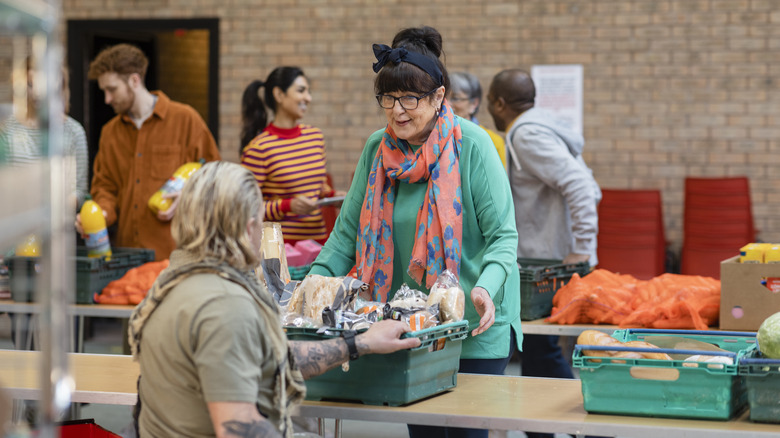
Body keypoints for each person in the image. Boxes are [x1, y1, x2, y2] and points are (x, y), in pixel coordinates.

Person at [308, 26, 522, 438]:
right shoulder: (376, 149)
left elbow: (503, 237)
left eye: (411, 98)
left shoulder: (473, 146)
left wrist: (484, 289)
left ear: (439, 97)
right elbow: (346, 233)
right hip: (411, 325)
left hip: (474, 323)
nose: (398, 110)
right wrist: (315, 281)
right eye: (388, 98)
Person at [128, 160, 419, 437]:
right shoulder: (223, 305)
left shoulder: (174, 281)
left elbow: (267, 356)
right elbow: (237, 426)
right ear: (246, 228)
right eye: (261, 220)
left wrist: (361, 343)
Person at [487, 69, 601, 438]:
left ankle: (593, 427)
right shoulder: (539, 127)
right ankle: (546, 429)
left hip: (548, 265)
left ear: (499, 103)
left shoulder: (527, 134)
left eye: (490, 100)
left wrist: (580, 252)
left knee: (542, 348)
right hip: (546, 261)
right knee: (537, 350)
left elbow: (582, 185)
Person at [77, 43, 221, 261]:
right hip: (126, 257)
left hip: (176, 257)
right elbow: (104, 187)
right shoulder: (110, 132)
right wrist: (100, 215)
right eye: (104, 91)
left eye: (112, 89)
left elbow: (217, 177)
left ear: (134, 81)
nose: (107, 99)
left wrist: (188, 197)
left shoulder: (186, 119)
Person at [240, 68, 344, 244]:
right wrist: (287, 206)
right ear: (279, 95)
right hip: (279, 249)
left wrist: (333, 196)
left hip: (317, 245)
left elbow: (317, 190)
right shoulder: (259, 148)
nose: (308, 98)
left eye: (308, 92)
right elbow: (245, 208)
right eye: (301, 91)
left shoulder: (315, 137)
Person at [448, 71, 507, 169]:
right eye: (443, 98)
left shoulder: (493, 141)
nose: (448, 104)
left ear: (474, 103)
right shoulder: (433, 137)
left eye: (455, 98)